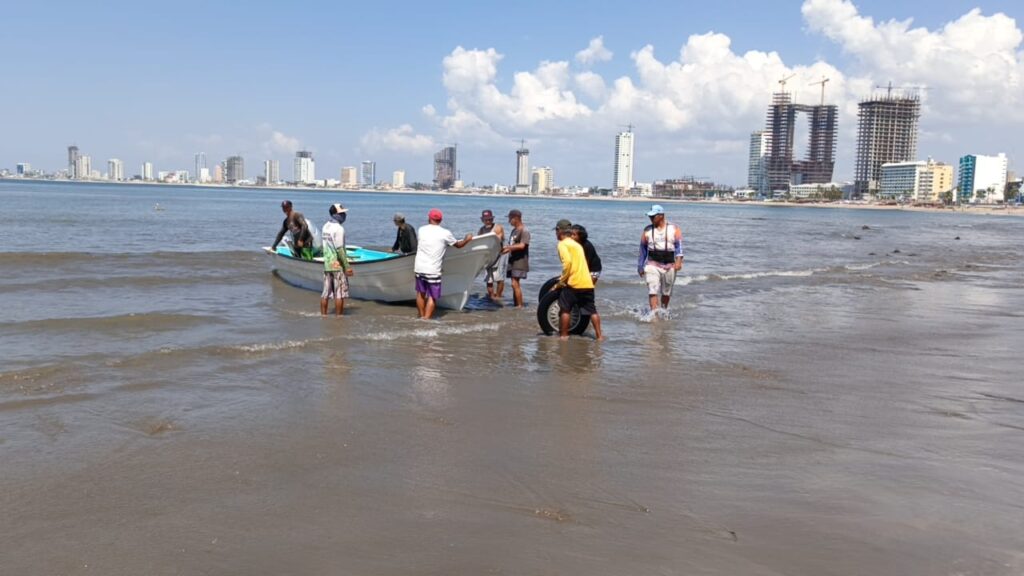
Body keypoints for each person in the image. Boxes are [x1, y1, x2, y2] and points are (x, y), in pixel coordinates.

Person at [414, 208, 473, 319]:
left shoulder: (421, 230)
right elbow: (458, 245)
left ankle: (421, 317)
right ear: (440, 220)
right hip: (433, 269)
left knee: (420, 293)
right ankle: (426, 320)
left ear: (429, 218)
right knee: (432, 296)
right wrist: (467, 239)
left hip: (419, 267)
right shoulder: (445, 233)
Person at [554, 219, 603, 340]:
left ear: (559, 231)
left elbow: (568, 264)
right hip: (587, 282)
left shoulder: (562, 244)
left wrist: (561, 282)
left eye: (556, 230)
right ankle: (599, 336)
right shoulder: (577, 244)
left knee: (565, 309)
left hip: (573, 283)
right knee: (592, 310)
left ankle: (564, 336)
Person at [637, 204, 683, 311]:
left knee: (666, 292)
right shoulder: (647, 230)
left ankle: (663, 310)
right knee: (652, 290)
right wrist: (640, 266)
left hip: (669, 264)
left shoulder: (674, 229)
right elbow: (642, 248)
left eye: (653, 216)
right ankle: (654, 314)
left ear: (661, 216)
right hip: (652, 264)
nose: (651, 218)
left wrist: (679, 261)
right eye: (650, 216)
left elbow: (678, 246)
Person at [321, 203, 355, 316]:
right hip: (337, 265)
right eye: (341, 213)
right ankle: (339, 319)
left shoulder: (325, 226)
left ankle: (323, 316)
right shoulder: (339, 228)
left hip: (327, 264)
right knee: (339, 294)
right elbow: (340, 250)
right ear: (335, 214)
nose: (344, 215)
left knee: (325, 293)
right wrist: (347, 267)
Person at [500, 209, 530, 308]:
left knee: (514, 283)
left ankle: (520, 306)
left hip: (520, 261)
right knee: (514, 284)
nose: (509, 221)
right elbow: (512, 244)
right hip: (512, 260)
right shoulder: (514, 230)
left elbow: (522, 246)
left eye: (510, 218)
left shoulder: (524, 230)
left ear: (516, 218)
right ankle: (516, 305)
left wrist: (508, 248)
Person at [477, 209, 507, 300]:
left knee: (499, 278)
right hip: (488, 256)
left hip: (500, 254)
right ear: (482, 220)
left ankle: (498, 296)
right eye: (486, 219)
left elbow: (497, 239)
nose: (488, 221)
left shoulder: (497, 227)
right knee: (488, 279)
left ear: (492, 219)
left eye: (490, 219)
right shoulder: (481, 230)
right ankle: (491, 297)